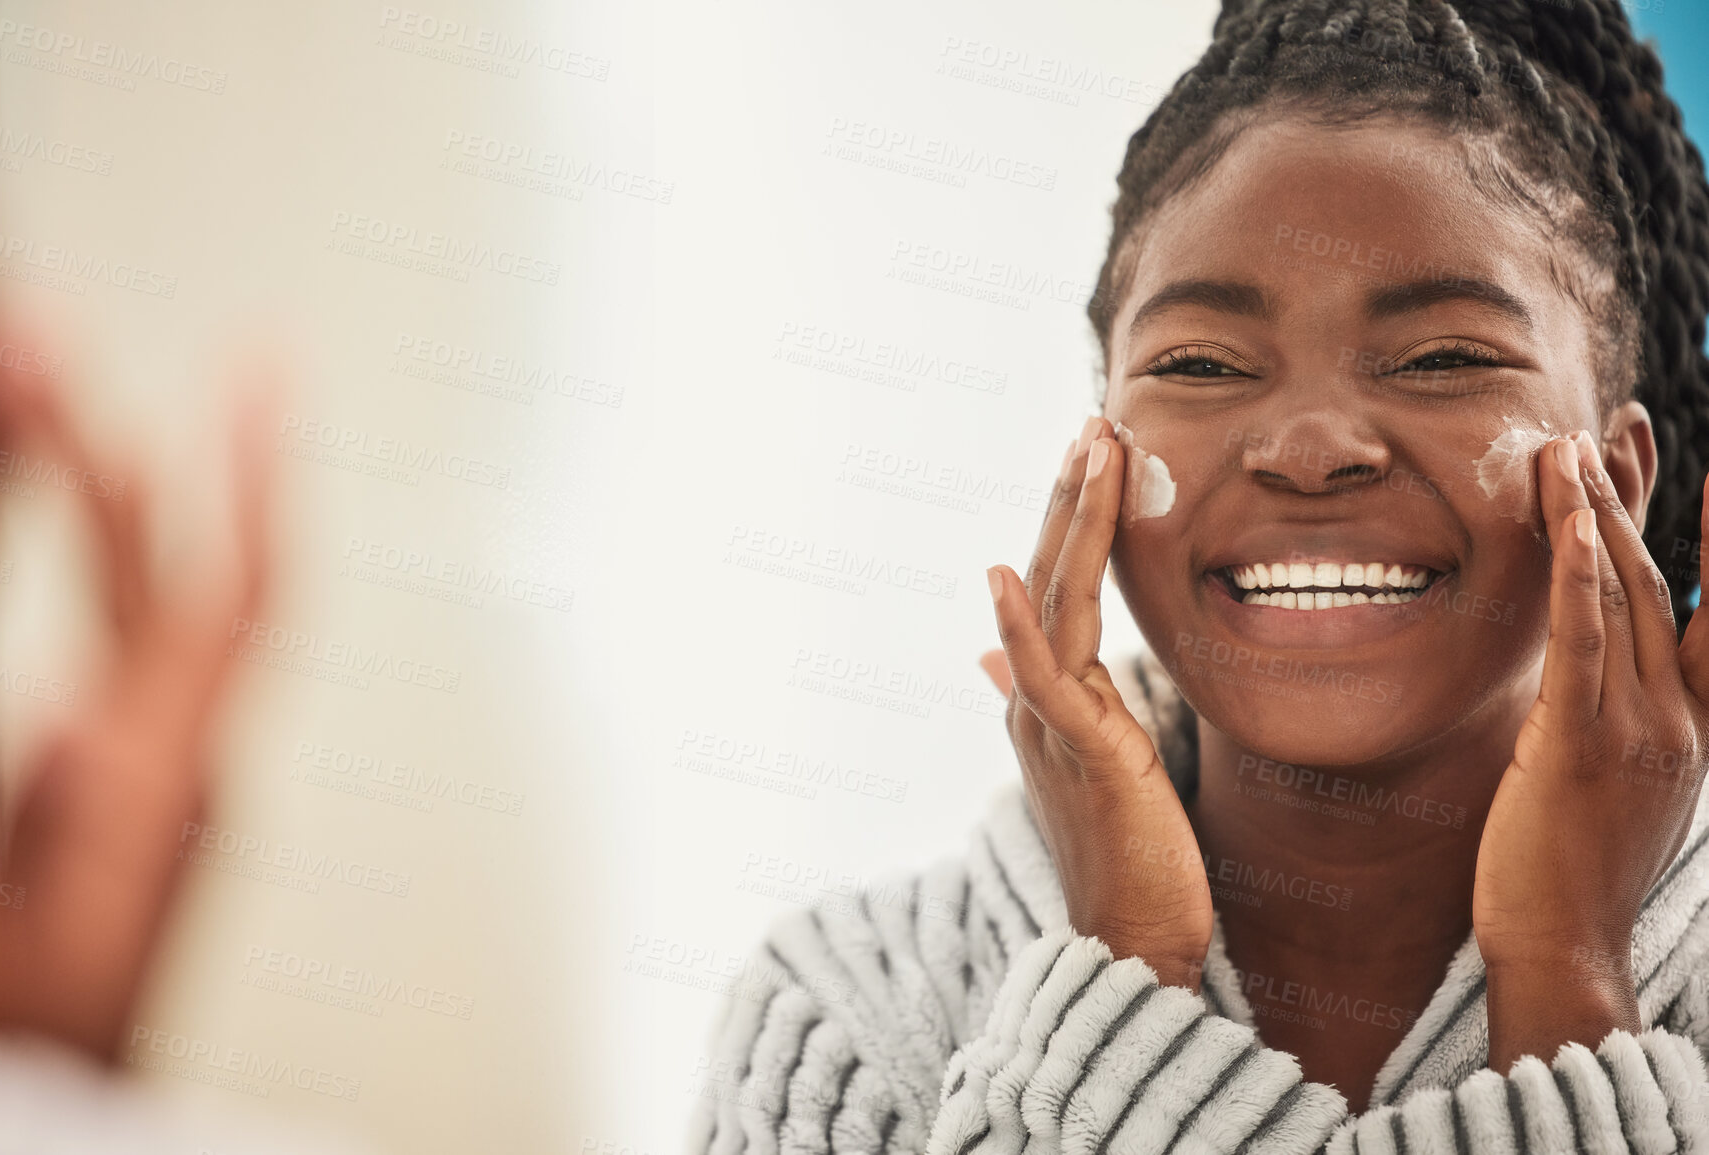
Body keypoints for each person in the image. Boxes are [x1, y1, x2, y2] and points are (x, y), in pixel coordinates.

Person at [688, 0, 1709, 1150]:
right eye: (1206, 364)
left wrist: (1567, 972)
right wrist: (1123, 963)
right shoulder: (846, 1022)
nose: (1312, 448)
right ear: (1099, 457)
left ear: (1619, 475)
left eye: (1442, 359)